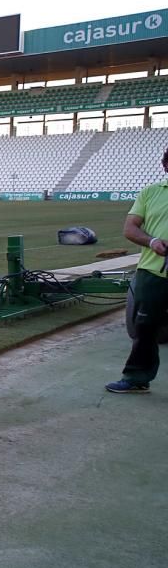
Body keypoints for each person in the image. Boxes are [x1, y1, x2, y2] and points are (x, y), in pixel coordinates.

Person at [105, 148, 168, 393]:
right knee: (145, 328)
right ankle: (136, 378)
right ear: (165, 166)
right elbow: (130, 228)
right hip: (152, 272)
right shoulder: (150, 193)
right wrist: (152, 242)